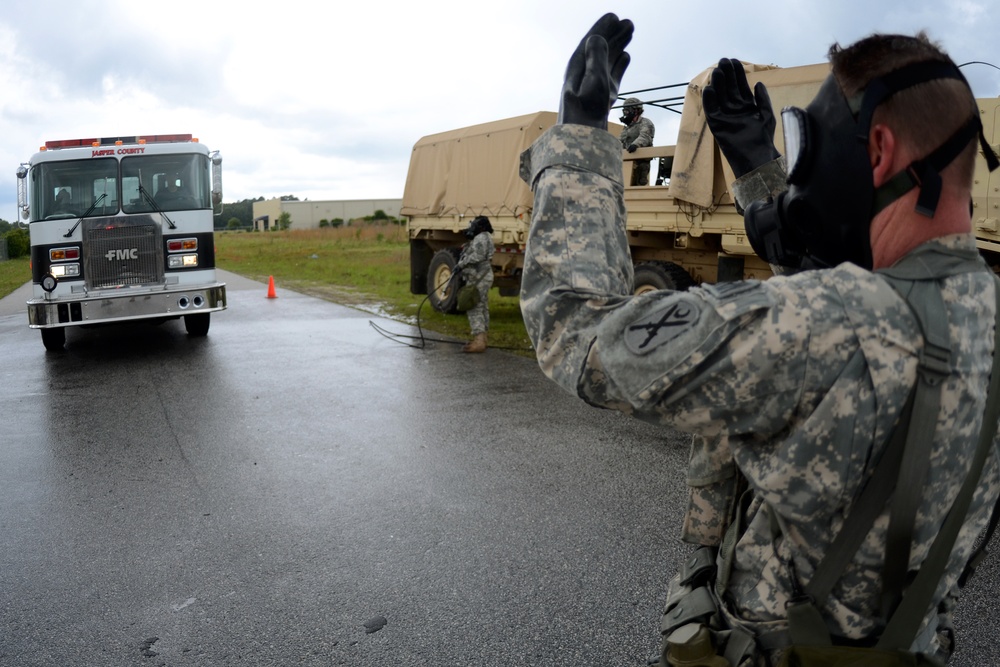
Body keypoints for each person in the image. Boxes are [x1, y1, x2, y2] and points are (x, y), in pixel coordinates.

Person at [518, 12, 1000, 665]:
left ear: (880, 151)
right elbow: (852, 326)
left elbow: (575, 328)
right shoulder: (977, 319)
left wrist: (578, 133)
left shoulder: (822, 323)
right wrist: (761, 177)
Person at [454, 215, 494, 353]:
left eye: (475, 225)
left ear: (482, 226)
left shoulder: (482, 237)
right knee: (482, 306)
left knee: (473, 306)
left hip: (479, 277)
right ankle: (482, 338)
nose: (473, 227)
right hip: (482, 277)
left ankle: (479, 341)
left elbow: (478, 256)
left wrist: (461, 264)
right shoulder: (484, 237)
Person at [619, 96, 655, 185]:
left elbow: (645, 136)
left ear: (636, 111)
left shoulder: (645, 123)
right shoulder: (628, 127)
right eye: (624, 110)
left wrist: (635, 144)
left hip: (641, 162)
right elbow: (621, 140)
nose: (625, 112)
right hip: (627, 160)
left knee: (638, 185)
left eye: (628, 110)